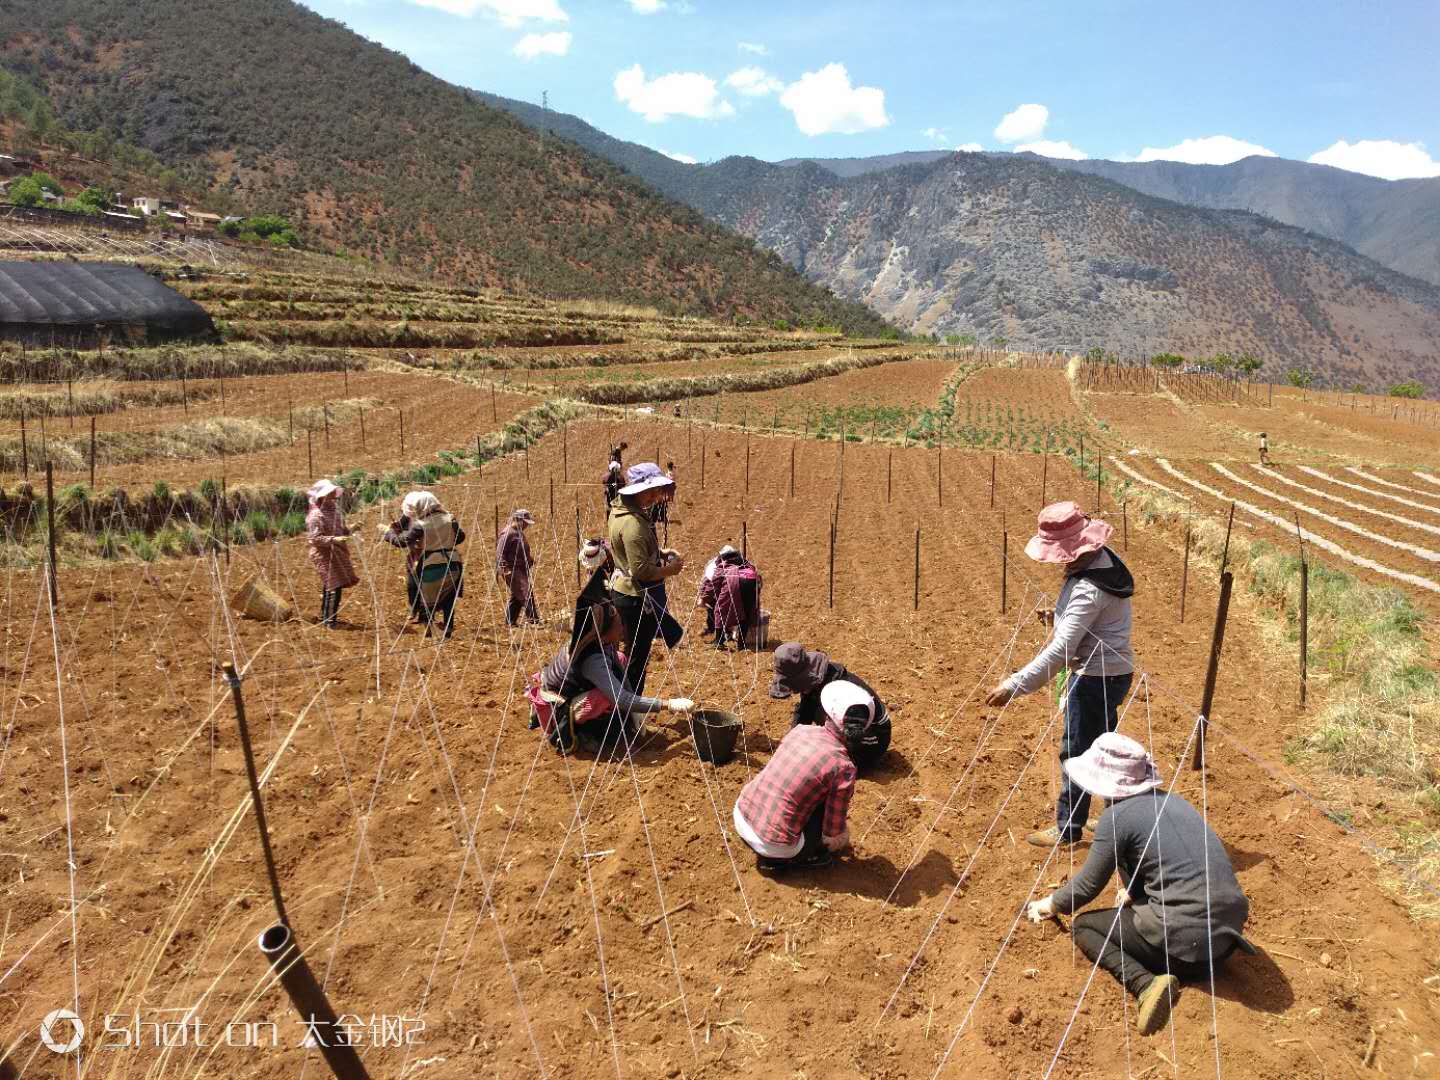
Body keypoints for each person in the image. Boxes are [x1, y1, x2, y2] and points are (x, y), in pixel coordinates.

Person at [1025, 733, 1254, 1036]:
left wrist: (1049, 904)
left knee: (1085, 927)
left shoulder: (1115, 819)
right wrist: (1135, 893)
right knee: (1136, 881)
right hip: (1224, 947)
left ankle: (1145, 984)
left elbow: (1086, 888)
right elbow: (1159, 859)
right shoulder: (1173, 801)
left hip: (1184, 949)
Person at [987, 501, 1135, 847]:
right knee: (1101, 747)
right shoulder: (1104, 562)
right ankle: (1115, 820)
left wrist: (1014, 685)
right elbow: (1096, 619)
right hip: (1112, 673)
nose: (1062, 562)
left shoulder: (1089, 587)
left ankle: (1069, 828)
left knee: (1077, 752)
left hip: (1095, 677)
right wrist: (1061, 617)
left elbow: (1061, 651)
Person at [526, 595, 694, 754]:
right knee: (606, 697)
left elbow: (620, 672)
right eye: (618, 624)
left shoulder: (597, 639)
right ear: (604, 632)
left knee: (620, 659)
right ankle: (583, 733)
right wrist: (669, 704)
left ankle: (605, 724)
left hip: (574, 693)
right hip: (557, 709)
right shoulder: (592, 659)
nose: (622, 627)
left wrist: (634, 714)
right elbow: (621, 698)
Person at [732, 681, 869, 872]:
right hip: (773, 845)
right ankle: (801, 858)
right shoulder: (843, 767)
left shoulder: (801, 730)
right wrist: (841, 839)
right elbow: (832, 833)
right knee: (822, 811)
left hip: (741, 815)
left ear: (827, 713)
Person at [608, 462, 685, 694]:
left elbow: (626, 549)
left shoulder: (618, 512)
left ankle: (624, 702)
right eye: (653, 491)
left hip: (622, 590)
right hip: (636, 597)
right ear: (640, 490)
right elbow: (641, 570)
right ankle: (630, 709)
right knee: (637, 658)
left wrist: (658, 552)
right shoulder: (633, 524)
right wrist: (670, 570)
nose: (656, 496)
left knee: (630, 651)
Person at [769, 642, 892, 770]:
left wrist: (834, 757)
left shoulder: (842, 692)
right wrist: (792, 743)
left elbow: (855, 733)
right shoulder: (814, 685)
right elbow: (805, 712)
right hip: (848, 730)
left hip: (870, 738)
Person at [381, 491, 466, 637]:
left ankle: (429, 631)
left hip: (431, 565)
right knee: (449, 598)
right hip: (453, 562)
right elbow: (460, 537)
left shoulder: (420, 525)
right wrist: (445, 542)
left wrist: (388, 533)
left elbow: (401, 542)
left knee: (427, 598)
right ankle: (448, 629)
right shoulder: (450, 519)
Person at [305, 479, 359, 629]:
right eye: (330, 493)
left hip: (337, 552)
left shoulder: (334, 511)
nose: (334, 495)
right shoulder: (316, 515)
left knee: (335, 584)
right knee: (333, 585)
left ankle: (326, 617)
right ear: (322, 496)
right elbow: (314, 538)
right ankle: (330, 622)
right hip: (323, 554)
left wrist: (352, 529)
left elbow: (341, 530)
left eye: (333, 492)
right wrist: (334, 539)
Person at [699, 548, 762, 650]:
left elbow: (712, 587)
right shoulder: (746, 563)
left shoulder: (722, 565)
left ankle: (719, 642)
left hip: (735, 581)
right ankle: (741, 645)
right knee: (745, 613)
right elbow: (758, 579)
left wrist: (703, 599)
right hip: (752, 580)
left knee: (719, 610)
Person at [495, 509, 540, 627]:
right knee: (525, 592)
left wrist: (529, 559)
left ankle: (510, 622)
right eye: (524, 522)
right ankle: (534, 620)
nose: (526, 525)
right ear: (517, 520)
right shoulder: (508, 533)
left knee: (517, 595)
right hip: (511, 569)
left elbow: (519, 550)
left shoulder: (518, 532)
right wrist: (504, 569)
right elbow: (500, 553)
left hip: (521, 569)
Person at [697, 545, 738, 638]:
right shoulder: (713, 567)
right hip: (716, 591)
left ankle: (727, 631)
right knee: (714, 609)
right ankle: (714, 628)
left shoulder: (738, 565)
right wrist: (703, 598)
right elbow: (707, 583)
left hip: (729, 592)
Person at [602, 443, 628, 508]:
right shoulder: (608, 478)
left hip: (616, 498)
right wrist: (614, 485)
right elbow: (609, 486)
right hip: (612, 498)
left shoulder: (618, 478)